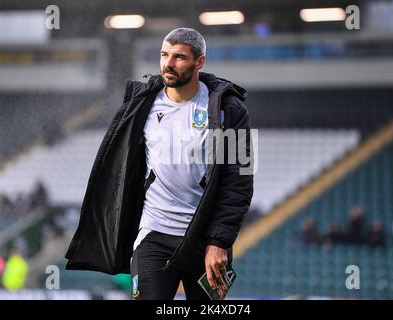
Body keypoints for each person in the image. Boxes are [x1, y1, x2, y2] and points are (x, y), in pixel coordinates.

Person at [65, 28, 254, 300]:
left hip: (205, 242)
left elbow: (241, 181)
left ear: (199, 62)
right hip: (154, 234)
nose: (168, 63)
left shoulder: (229, 110)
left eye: (179, 57)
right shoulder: (141, 104)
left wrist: (219, 242)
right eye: (164, 55)